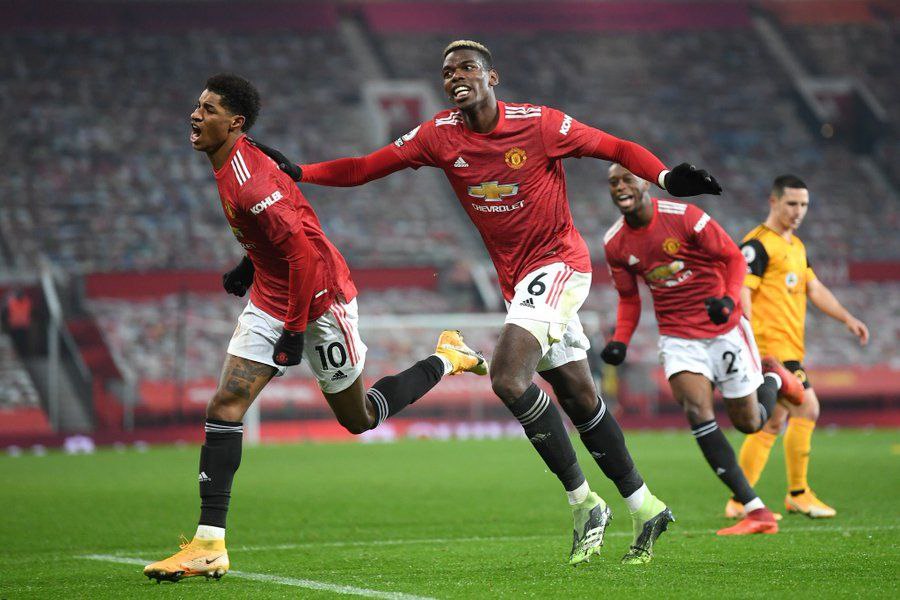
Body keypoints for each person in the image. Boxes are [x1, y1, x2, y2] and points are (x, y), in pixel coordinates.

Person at [252, 39, 726, 564]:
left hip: (559, 265)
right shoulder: (438, 135)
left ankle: (585, 502)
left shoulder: (540, 124)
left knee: (506, 377)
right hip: (519, 282)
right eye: (448, 70)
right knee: (578, 398)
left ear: (491, 77)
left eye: (468, 67)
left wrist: (664, 177)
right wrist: (301, 173)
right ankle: (646, 506)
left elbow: (614, 147)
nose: (457, 76)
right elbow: (367, 167)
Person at [143, 73, 487, 583]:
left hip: (321, 300)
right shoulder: (235, 157)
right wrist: (250, 263)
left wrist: (293, 332)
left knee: (359, 419)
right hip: (270, 295)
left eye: (209, 110)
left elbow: (303, 255)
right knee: (225, 406)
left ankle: (448, 356)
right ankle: (208, 545)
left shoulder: (249, 182)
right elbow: (283, 232)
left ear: (234, 124)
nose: (196, 115)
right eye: (198, 106)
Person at [599, 164, 806, 536]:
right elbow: (629, 299)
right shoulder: (615, 243)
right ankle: (756, 510)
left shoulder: (686, 217)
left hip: (724, 329)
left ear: (645, 182)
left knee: (750, 422)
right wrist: (620, 341)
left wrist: (727, 302)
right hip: (678, 338)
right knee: (697, 411)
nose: (620, 186)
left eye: (627, 178)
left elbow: (732, 259)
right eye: (613, 182)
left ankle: (773, 376)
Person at [726, 175, 869, 520]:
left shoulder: (796, 246)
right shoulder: (757, 245)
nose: (798, 211)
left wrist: (847, 318)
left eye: (804, 204)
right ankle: (798, 493)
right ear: (773, 202)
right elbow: (742, 290)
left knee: (773, 424)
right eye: (792, 204)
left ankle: (739, 500)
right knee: (808, 409)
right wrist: (749, 341)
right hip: (770, 350)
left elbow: (815, 288)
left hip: (790, 349)